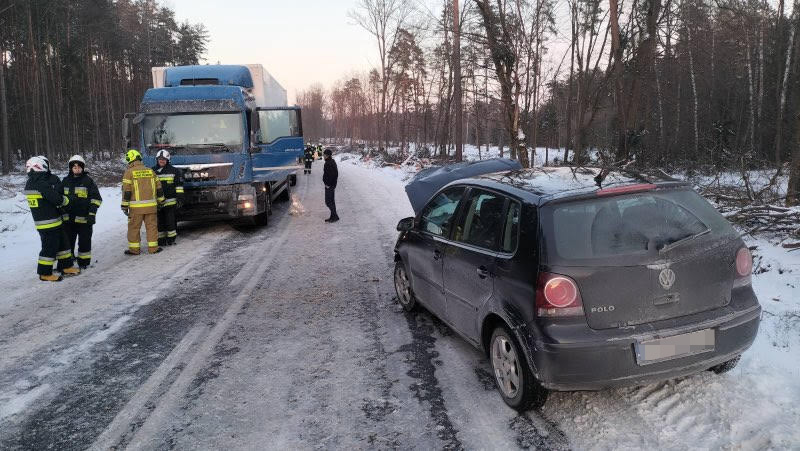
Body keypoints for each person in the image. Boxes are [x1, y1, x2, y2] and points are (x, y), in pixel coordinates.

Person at [24, 156, 81, 281]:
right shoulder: (39, 183)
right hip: (47, 223)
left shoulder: (33, 181)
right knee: (50, 248)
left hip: (54, 220)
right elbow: (55, 198)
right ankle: (44, 273)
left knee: (63, 244)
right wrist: (67, 201)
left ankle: (66, 266)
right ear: (41, 166)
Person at [61, 155, 102, 268]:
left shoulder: (88, 181)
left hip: (85, 220)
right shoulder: (65, 181)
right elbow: (59, 198)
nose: (77, 169)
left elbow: (96, 199)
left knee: (84, 243)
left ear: (83, 168)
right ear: (70, 168)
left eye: (79, 167)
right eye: (74, 167)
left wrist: (92, 214)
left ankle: (84, 263)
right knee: (68, 243)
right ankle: (68, 261)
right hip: (68, 220)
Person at [122, 149, 165, 255]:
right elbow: (159, 188)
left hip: (136, 209)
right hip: (151, 207)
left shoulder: (129, 173)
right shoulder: (150, 171)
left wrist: (124, 206)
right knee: (151, 227)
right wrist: (161, 201)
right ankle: (153, 248)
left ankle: (134, 250)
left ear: (130, 160)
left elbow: (127, 191)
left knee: (134, 228)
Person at [152, 150, 184, 246]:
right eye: (160, 159)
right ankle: (161, 239)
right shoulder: (152, 171)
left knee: (171, 221)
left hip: (171, 202)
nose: (162, 161)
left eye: (164, 159)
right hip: (158, 203)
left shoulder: (174, 171)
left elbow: (178, 186)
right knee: (159, 222)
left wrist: (180, 198)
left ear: (168, 160)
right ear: (157, 160)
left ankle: (171, 239)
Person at [322, 148, 339, 223]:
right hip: (331, 185)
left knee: (328, 202)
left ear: (327, 155)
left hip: (329, 185)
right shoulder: (331, 161)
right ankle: (333, 216)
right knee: (331, 201)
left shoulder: (329, 163)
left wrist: (328, 184)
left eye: (324, 155)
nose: (323, 156)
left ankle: (335, 216)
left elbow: (333, 175)